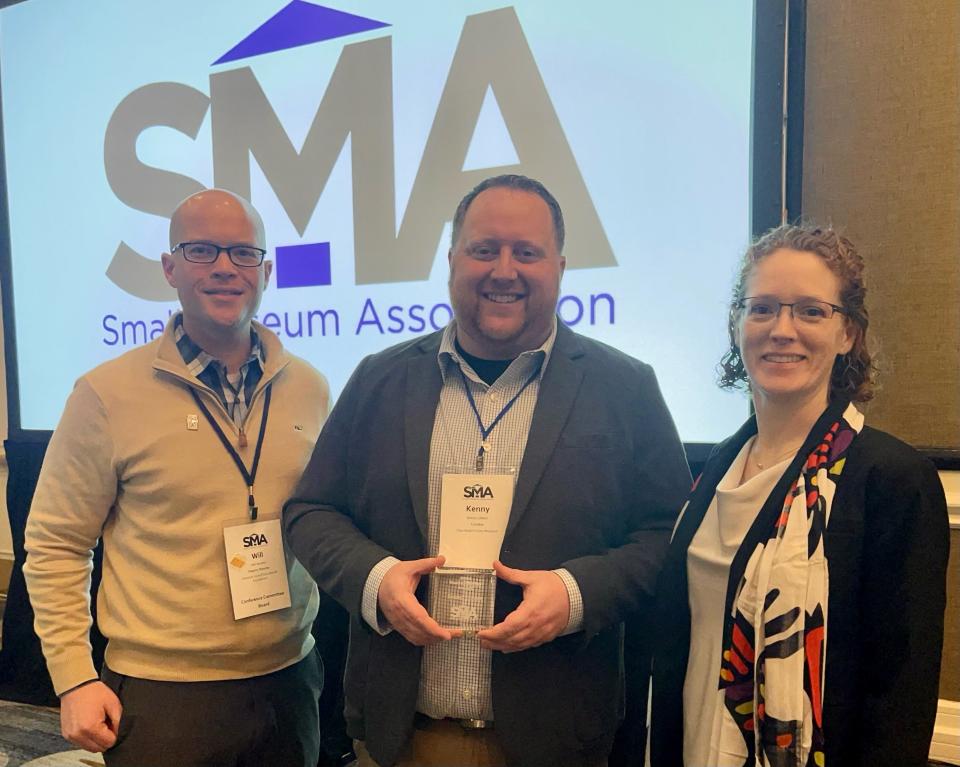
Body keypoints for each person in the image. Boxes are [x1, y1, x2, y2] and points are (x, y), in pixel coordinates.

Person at [284, 174, 691, 767]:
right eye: (484, 250)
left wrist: (575, 595)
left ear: (560, 266)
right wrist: (376, 579)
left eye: (527, 252)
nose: (505, 271)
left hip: (557, 741)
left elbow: (668, 536)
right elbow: (310, 511)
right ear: (452, 261)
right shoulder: (379, 378)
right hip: (402, 740)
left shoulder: (624, 387)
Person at [24, 189, 330, 767]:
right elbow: (55, 544)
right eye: (201, 250)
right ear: (169, 268)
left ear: (265, 272)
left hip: (289, 682)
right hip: (164, 696)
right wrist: (72, 677)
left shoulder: (310, 388)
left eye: (242, 254)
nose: (223, 268)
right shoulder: (106, 394)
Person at [649, 225, 949, 767]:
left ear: (848, 333)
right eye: (762, 308)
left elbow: (899, 702)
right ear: (737, 325)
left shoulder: (891, 480)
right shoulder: (717, 465)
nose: (781, 330)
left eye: (811, 311)